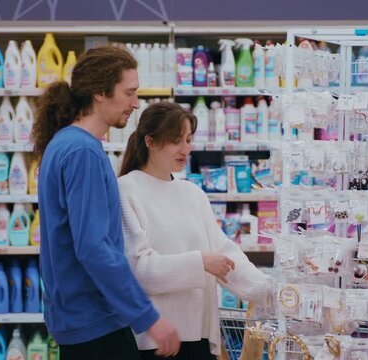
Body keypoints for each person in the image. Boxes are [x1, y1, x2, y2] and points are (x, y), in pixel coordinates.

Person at [32, 46, 180, 360]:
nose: (135, 103)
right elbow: (94, 247)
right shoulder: (82, 152)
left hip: (77, 317)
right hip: (94, 321)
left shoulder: (64, 143)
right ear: (100, 92)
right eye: (129, 93)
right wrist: (148, 317)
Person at [118, 102, 272, 360]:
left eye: (188, 140)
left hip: (199, 338)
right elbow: (139, 270)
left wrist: (272, 292)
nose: (185, 149)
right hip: (155, 341)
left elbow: (225, 254)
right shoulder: (126, 190)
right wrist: (200, 262)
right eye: (175, 140)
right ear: (150, 142)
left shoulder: (192, 193)